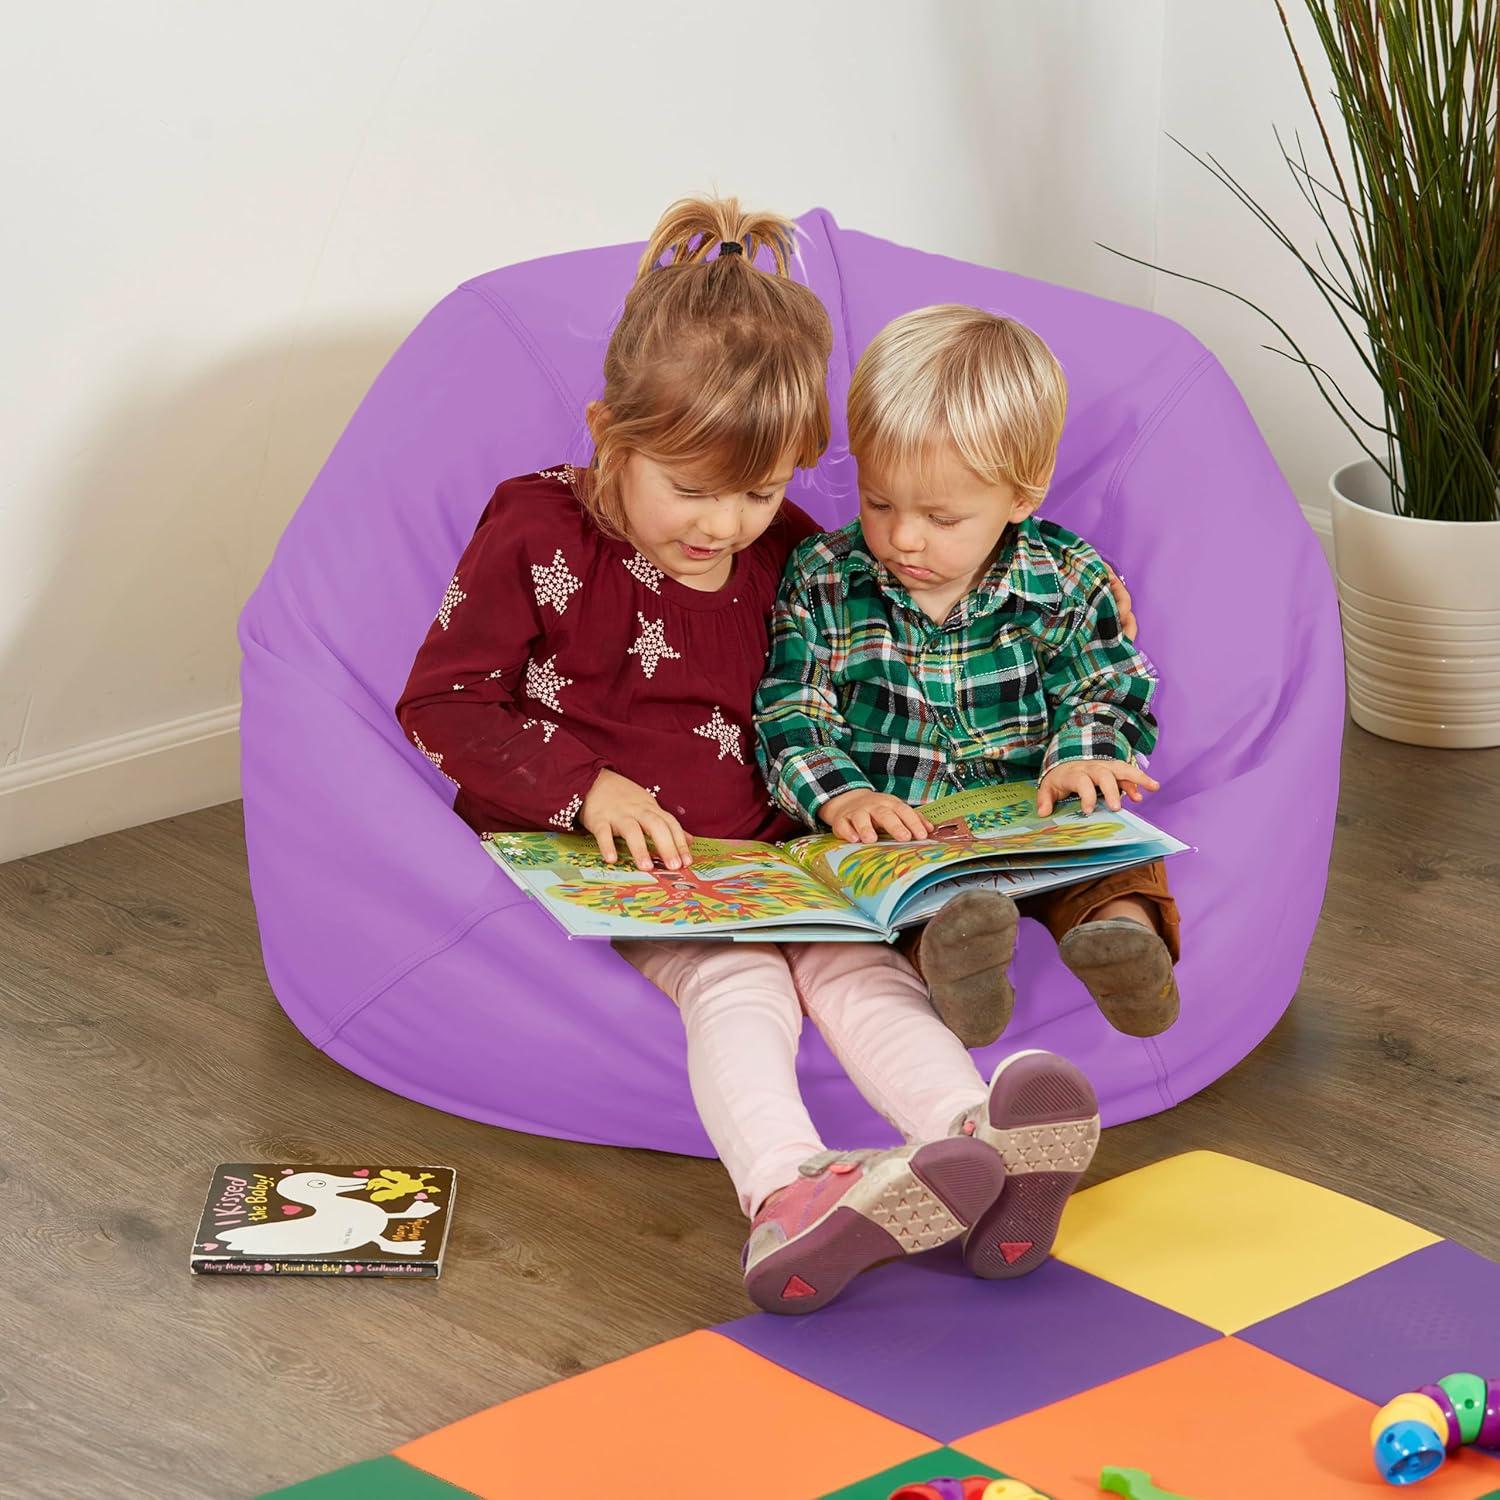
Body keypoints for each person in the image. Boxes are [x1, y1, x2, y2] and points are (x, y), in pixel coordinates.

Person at [396, 200, 1099, 1314]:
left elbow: (822, 692)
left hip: (771, 856)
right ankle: (785, 1191)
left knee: (859, 973)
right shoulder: (536, 532)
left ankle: (974, 1142)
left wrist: (873, 802)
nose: (724, 525)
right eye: (691, 489)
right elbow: (442, 701)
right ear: (609, 434)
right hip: (629, 866)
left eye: (761, 492)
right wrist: (583, 787)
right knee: (736, 988)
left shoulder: (786, 556)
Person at [755, 304, 1182, 1049]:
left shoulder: (1066, 577)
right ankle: (957, 964)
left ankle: (1122, 939)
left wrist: (1085, 753)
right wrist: (843, 794)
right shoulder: (824, 575)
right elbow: (791, 709)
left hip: (1038, 813)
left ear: (1022, 494)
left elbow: (1108, 683)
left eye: (942, 517)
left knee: (1116, 862)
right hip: (904, 830)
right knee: (896, 901)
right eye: (879, 501)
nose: (903, 536)